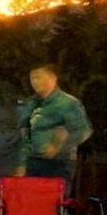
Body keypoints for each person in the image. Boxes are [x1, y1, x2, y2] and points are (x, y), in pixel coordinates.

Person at [14, 63, 92, 195]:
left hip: (59, 163)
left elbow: (83, 130)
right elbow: (26, 135)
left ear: (53, 78)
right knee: (31, 202)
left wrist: (59, 147)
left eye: (39, 77)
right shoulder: (31, 103)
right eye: (32, 78)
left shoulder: (67, 103)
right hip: (33, 162)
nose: (35, 82)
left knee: (53, 202)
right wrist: (22, 163)